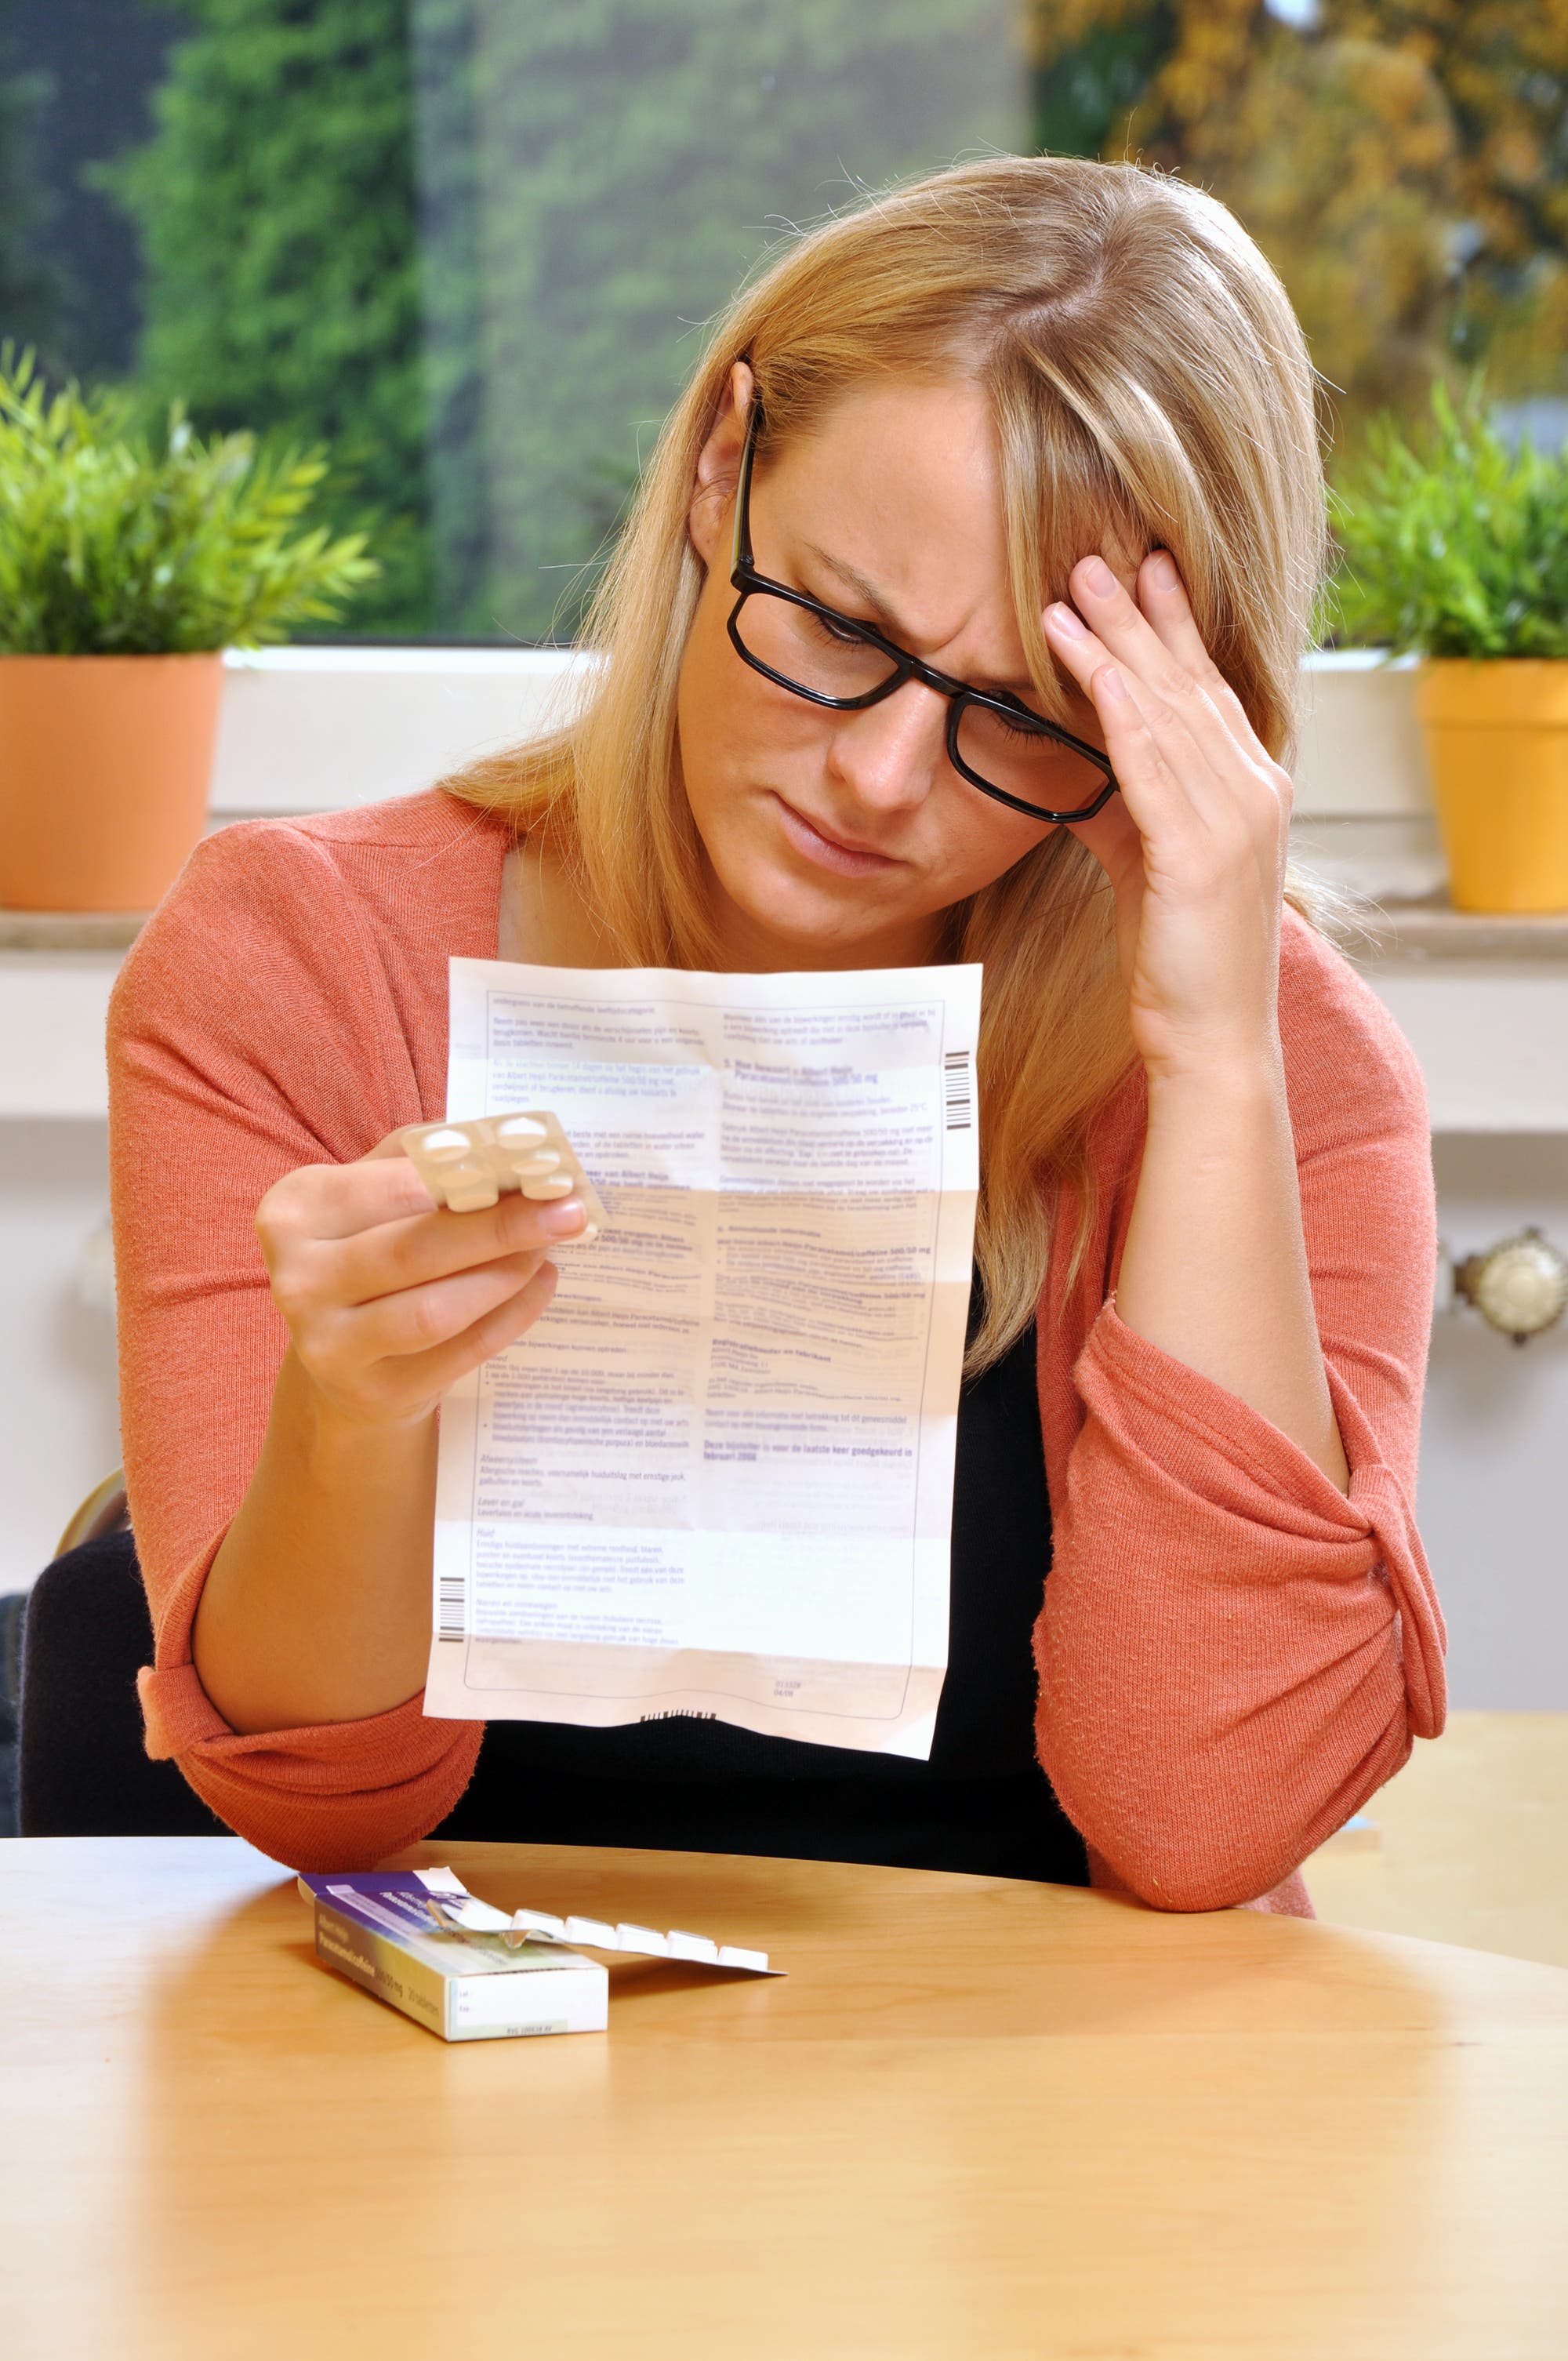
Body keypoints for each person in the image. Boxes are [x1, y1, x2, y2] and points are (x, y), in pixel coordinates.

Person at [110, 154, 1444, 1908]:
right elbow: (325, 1804)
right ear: (721, 471)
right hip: (454, 2086)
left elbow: (1202, 1828)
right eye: (837, 625)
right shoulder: (295, 963)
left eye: (1027, 717)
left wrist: (1212, 1054)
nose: (882, 778)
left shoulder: (1289, 1075)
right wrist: (352, 1419)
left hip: (1053, 2115)